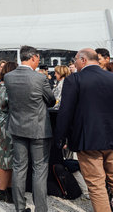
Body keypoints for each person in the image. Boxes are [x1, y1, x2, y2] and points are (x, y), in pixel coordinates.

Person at [56, 48, 113, 212]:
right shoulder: (111, 77)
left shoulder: (75, 79)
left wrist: (61, 137)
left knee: (96, 184)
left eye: (75, 60)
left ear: (83, 60)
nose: (74, 63)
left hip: (88, 139)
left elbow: (65, 112)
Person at [4, 45, 56, 212]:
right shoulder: (39, 79)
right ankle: (40, 209)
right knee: (39, 169)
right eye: (38, 59)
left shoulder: (9, 77)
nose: (38, 63)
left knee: (19, 168)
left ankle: (20, 208)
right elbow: (51, 100)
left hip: (17, 127)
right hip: (38, 129)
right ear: (33, 58)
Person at [0, 61, 18, 204]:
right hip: (5, 123)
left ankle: (7, 190)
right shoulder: (6, 87)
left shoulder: (1, 85)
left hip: (0, 122)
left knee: (5, 157)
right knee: (6, 158)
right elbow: (6, 104)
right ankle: (3, 190)